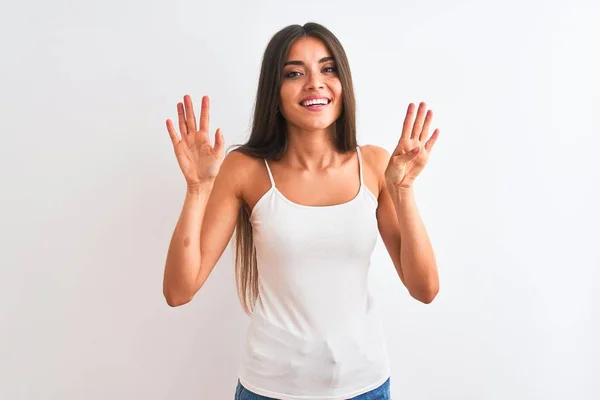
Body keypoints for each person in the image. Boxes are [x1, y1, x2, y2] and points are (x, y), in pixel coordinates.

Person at [162, 22, 440, 400]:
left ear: (343, 83)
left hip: (365, 386)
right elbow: (179, 290)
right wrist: (197, 189)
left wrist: (403, 190)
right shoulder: (244, 169)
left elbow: (425, 289)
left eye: (328, 69)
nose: (315, 83)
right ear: (274, 93)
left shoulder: (375, 164)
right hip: (269, 390)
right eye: (295, 73)